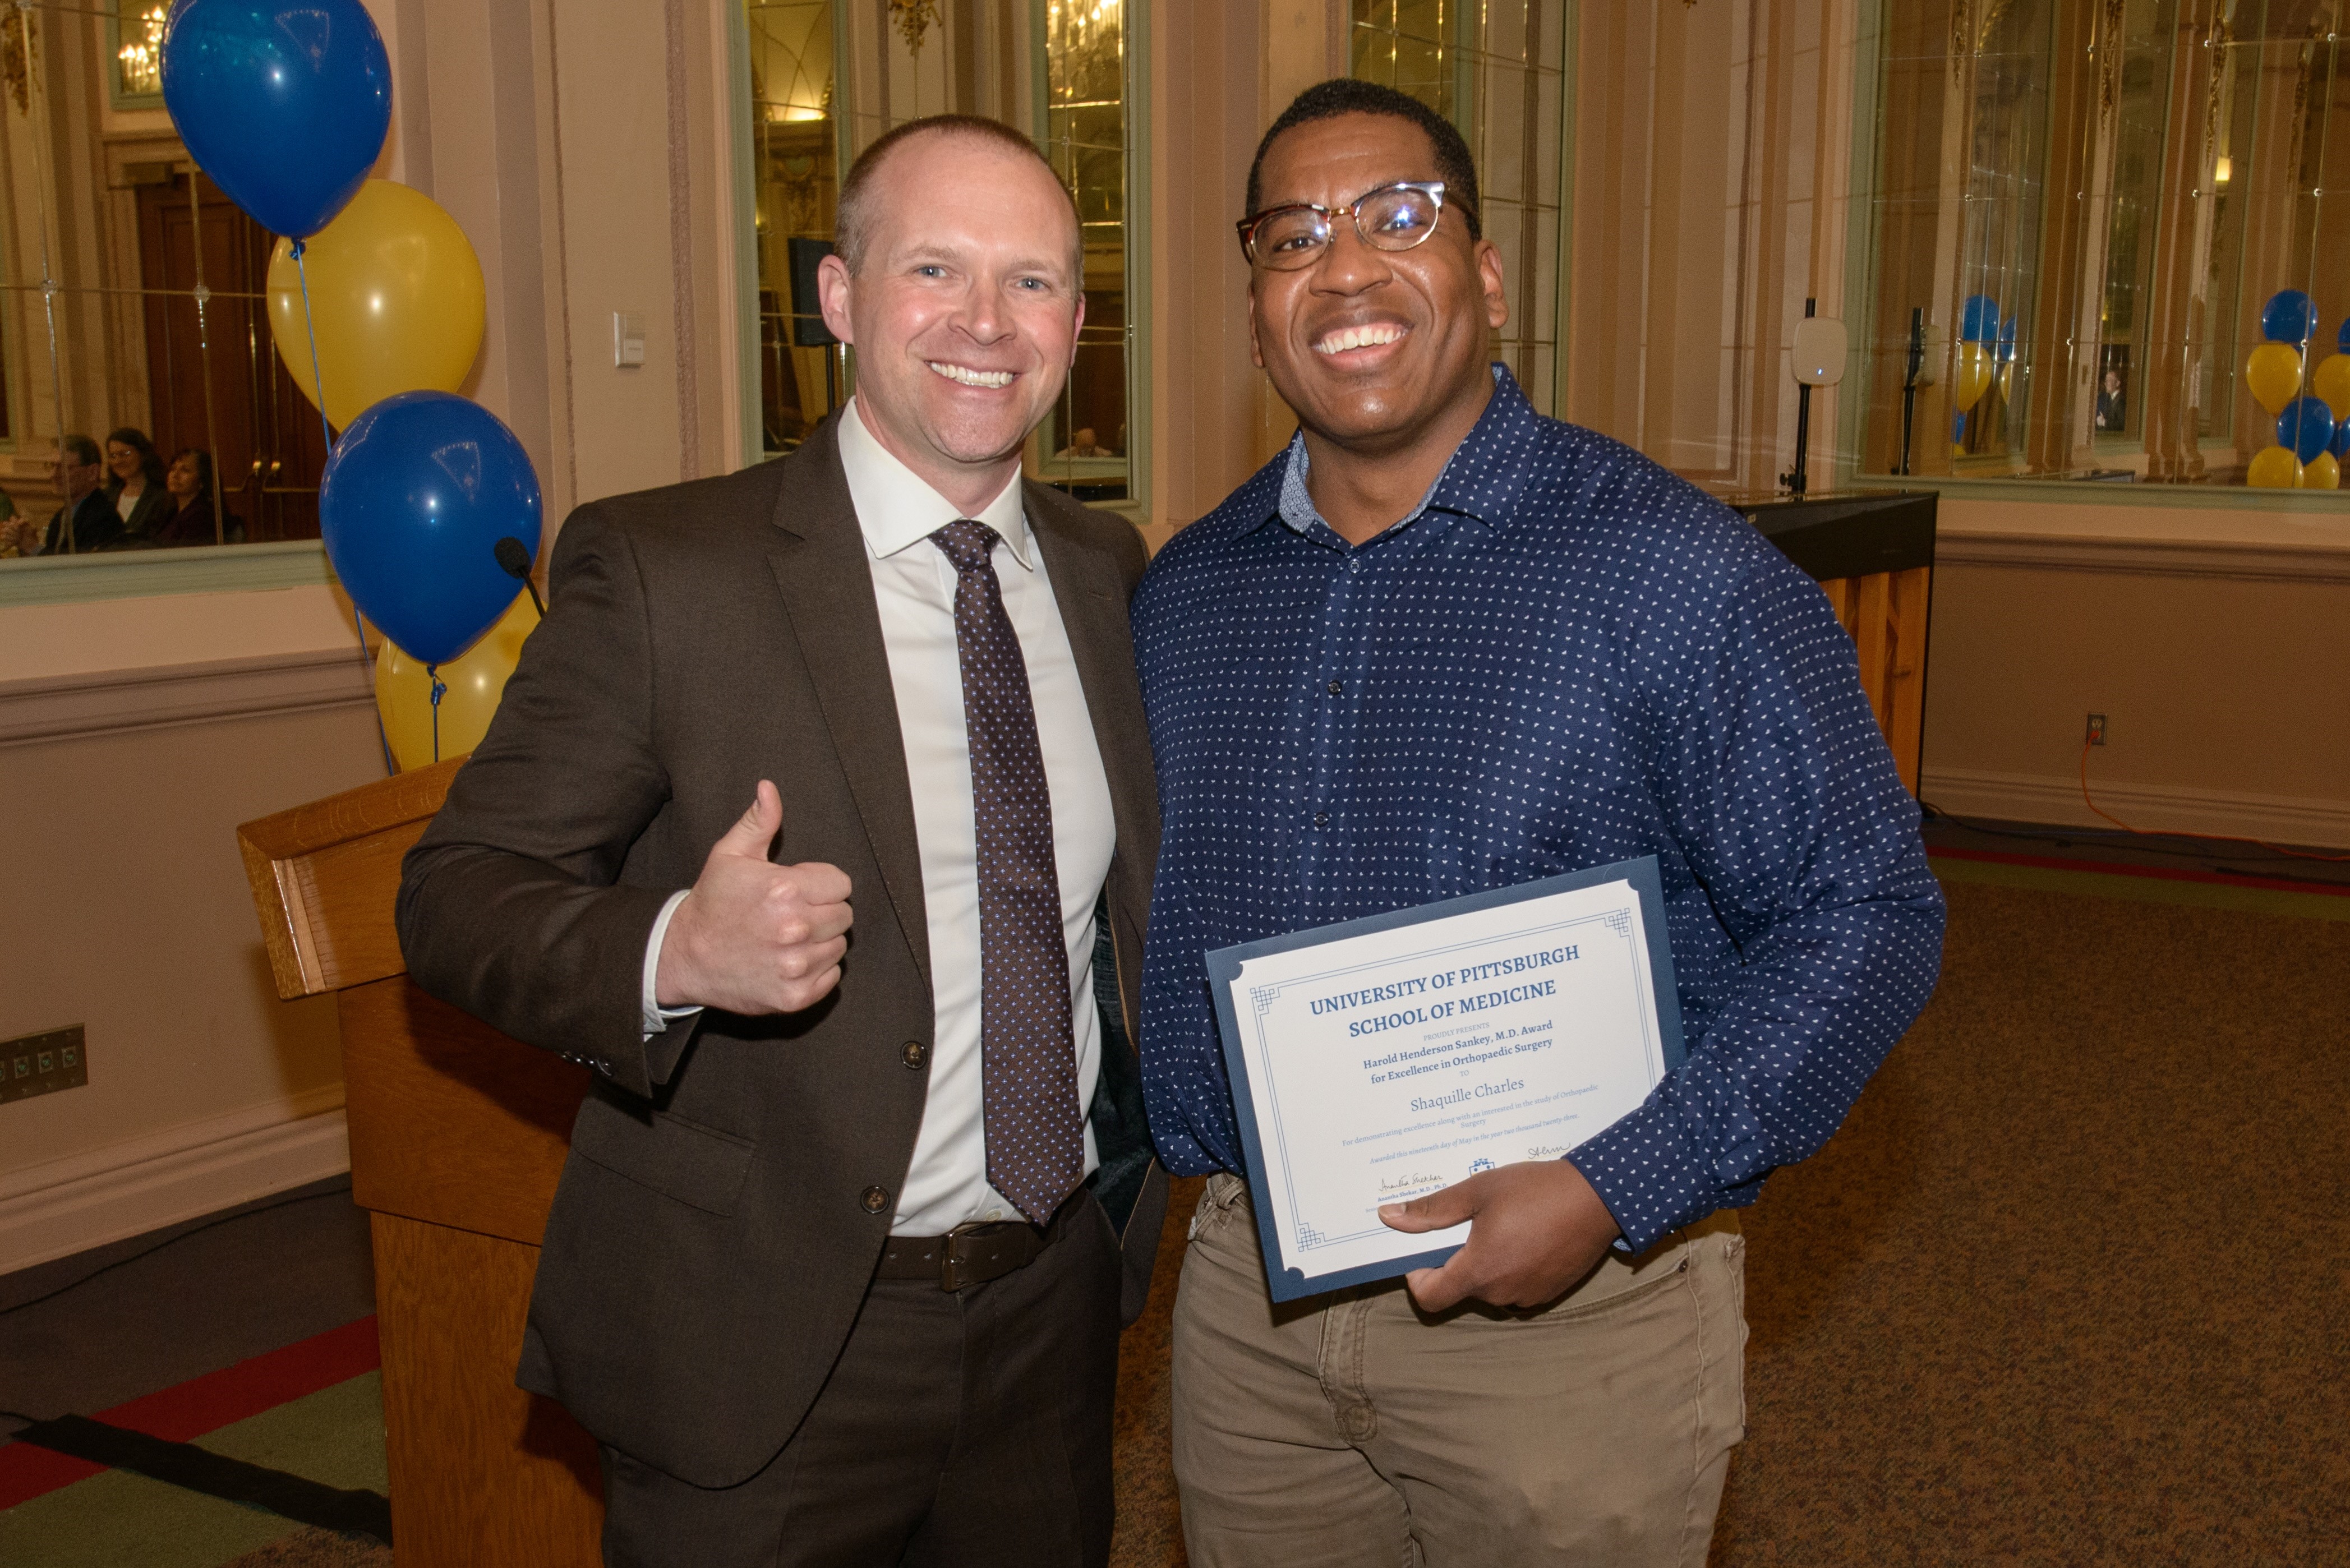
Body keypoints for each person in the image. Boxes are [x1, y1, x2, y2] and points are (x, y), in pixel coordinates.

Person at [1130, 79, 1946, 1567]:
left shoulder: (1673, 575)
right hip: (1250, 1307)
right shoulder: (1184, 598)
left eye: (1399, 216)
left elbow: (1867, 912)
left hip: (1575, 1329)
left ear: (1486, 276)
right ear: (1255, 311)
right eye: (1292, 236)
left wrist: (1611, 1184)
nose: (1347, 268)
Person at [397, 113, 1165, 1568]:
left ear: (1076, 316)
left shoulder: (1103, 570)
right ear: (836, 295)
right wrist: (671, 951)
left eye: (1034, 282)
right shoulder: (665, 572)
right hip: (766, 1328)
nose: (986, 325)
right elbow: (453, 898)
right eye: (933, 268)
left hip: (1047, 1319)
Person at [39, 436, 119, 555]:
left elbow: (79, 566)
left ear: (92, 472)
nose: (54, 475)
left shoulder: (102, 518)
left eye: (65, 468)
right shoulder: (61, 517)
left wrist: (32, 548)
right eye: (52, 466)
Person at [150, 449, 241, 547]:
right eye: (173, 469)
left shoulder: (202, 516)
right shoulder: (170, 512)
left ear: (202, 481)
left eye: (185, 471)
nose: (175, 475)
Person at [102, 427, 173, 545]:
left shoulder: (163, 497)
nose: (118, 461)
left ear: (143, 454)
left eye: (125, 454)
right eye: (113, 456)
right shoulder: (106, 496)